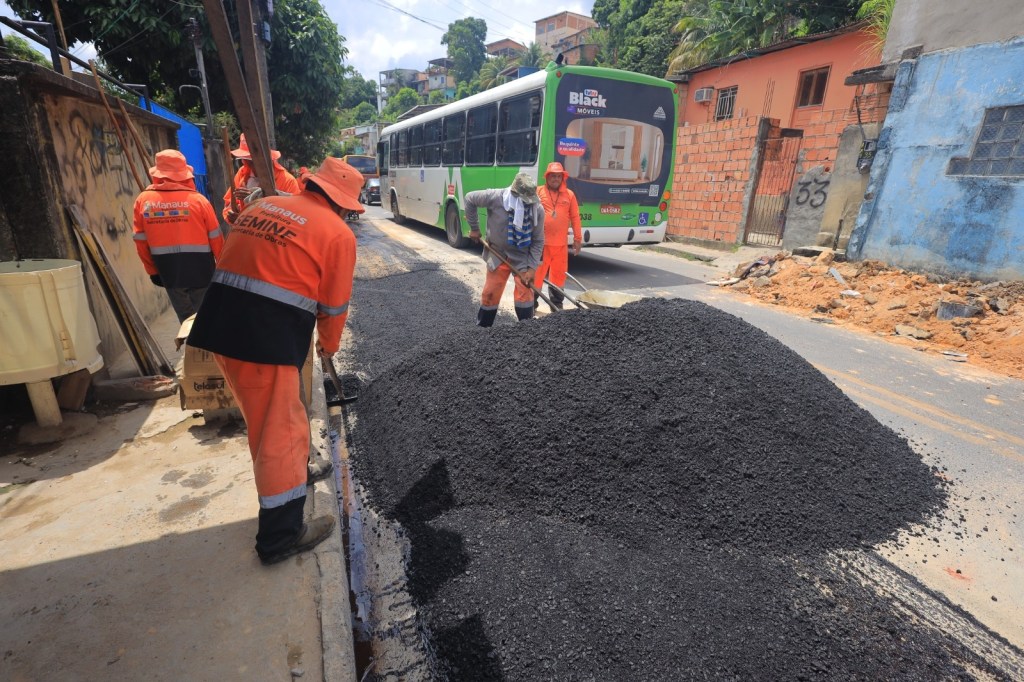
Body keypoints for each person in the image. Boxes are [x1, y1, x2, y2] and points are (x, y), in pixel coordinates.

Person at [188, 158, 362, 566]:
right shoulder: (337, 233)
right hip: (262, 336)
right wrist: (328, 346)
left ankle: (295, 476)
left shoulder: (263, 206)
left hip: (219, 324)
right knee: (280, 432)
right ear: (342, 204)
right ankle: (280, 536)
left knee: (270, 419)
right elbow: (334, 306)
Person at [132, 149, 223, 323]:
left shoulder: (143, 201)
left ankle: (190, 340)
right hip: (201, 270)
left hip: (169, 271)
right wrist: (222, 268)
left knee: (186, 321)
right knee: (207, 319)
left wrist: (152, 271)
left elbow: (140, 242)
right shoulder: (199, 201)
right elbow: (216, 238)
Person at [465, 173, 545, 327]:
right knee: (490, 293)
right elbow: (469, 199)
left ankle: (528, 331)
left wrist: (532, 268)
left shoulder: (538, 210)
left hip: (522, 257)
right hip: (497, 253)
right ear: (515, 194)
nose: (527, 204)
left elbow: (538, 240)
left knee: (525, 295)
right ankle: (483, 330)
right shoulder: (496, 197)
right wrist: (474, 228)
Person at [534, 162, 583, 310]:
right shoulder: (538, 192)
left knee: (559, 277)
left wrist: (578, 239)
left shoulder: (569, 195)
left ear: (563, 178)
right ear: (547, 177)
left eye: (558, 176)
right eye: (553, 176)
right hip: (541, 245)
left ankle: (556, 306)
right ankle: (531, 304)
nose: (556, 179)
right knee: (536, 276)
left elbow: (575, 217)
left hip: (560, 246)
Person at [222, 133, 301, 223]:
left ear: (267, 159)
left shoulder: (287, 181)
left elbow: (294, 216)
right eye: (245, 159)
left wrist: (255, 199)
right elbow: (229, 204)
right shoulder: (242, 173)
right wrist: (233, 215)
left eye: (251, 160)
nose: (247, 164)